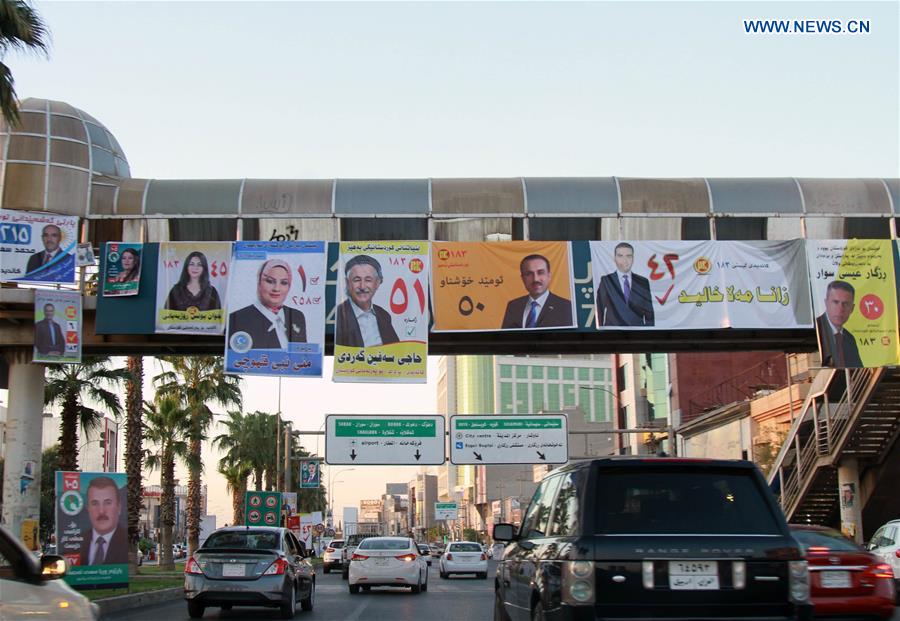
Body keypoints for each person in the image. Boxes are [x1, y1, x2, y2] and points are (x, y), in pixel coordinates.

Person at [228, 258, 307, 348]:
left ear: (289, 287)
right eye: (270, 281)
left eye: (284, 283)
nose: (276, 288)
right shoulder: (237, 319)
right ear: (259, 282)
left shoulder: (296, 316)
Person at [335, 254, 399, 347]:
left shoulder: (384, 315)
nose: (362, 286)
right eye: (356, 280)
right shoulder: (339, 316)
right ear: (347, 283)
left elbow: (396, 348)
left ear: (377, 283)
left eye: (368, 280)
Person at [500, 254, 573, 329]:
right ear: (522, 278)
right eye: (529, 274)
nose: (535, 279)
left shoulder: (566, 306)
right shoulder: (513, 306)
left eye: (540, 272)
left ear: (549, 276)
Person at [596, 242, 655, 327]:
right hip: (612, 334)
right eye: (620, 256)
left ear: (633, 258)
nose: (625, 260)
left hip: (637, 334)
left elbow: (649, 314)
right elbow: (599, 310)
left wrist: (649, 334)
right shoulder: (606, 281)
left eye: (628, 256)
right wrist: (600, 334)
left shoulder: (643, 282)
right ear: (614, 258)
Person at [78, 477, 128, 566]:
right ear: (88, 508)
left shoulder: (125, 543)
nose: (101, 511)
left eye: (108, 503)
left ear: (119, 507)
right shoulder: (76, 542)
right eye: (95, 503)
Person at [816, 280, 862, 368]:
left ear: (852, 309)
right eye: (835, 302)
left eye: (846, 304)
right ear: (826, 303)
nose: (840, 309)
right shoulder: (817, 330)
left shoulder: (849, 339)